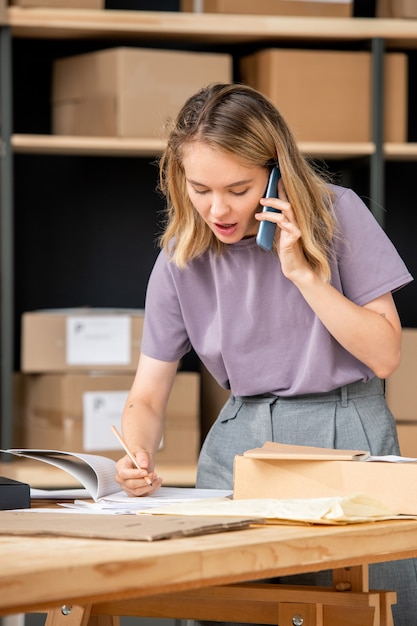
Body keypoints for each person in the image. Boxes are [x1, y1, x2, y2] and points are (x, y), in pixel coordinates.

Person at [115, 82, 416, 623]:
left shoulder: (337, 213)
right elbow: (146, 395)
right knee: (226, 609)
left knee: (367, 609)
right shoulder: (182, 254)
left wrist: (303, 274)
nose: (218, 208)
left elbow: (386, 354)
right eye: (200, 188)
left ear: (277, 173)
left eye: (239, 187)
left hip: (345, 432)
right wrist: (138, 456)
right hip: (240, 441)